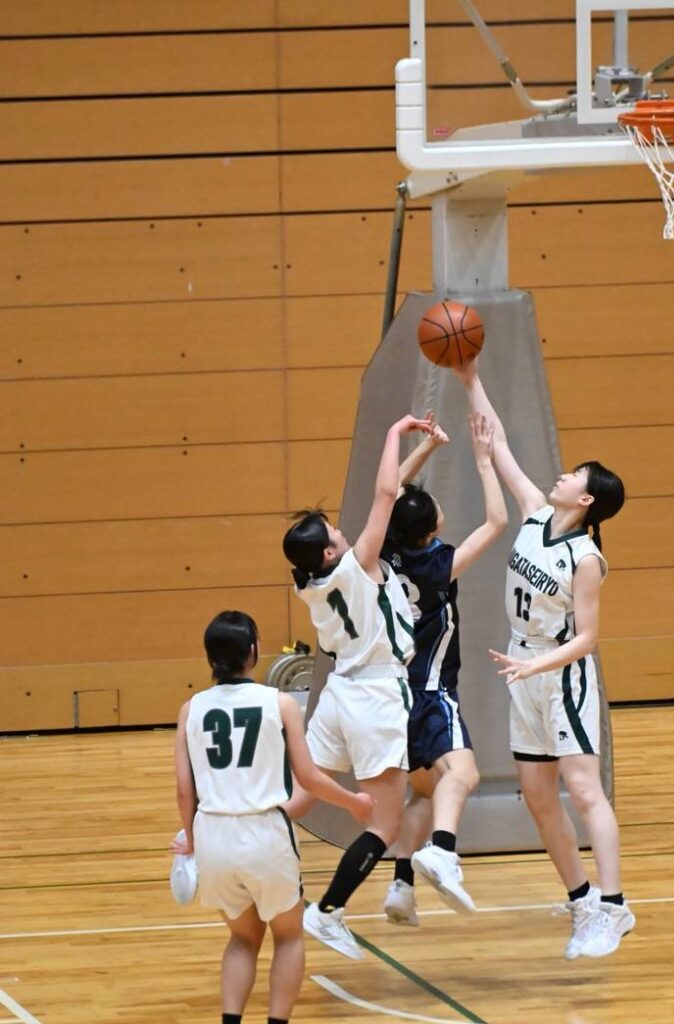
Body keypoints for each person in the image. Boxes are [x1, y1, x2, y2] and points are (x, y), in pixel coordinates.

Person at [454, 360, 635, 960]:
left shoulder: (586, 558)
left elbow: (588, 638)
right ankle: (582, 900)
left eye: (574, 473)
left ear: (586, 499)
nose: (561, 473)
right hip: (523, 668)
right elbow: (500, 442)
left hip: (562, 676)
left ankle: (615, 907)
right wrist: (470, 378)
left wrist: (540, 667)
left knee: (583, 790)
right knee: (536, 794)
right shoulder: (535, 512)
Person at [171, 610, 374, 1024]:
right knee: (288, 935)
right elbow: (309, 778)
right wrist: (352, 802)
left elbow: (183, 789)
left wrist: (190, 839)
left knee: (243, 939)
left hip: (213, 837)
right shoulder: (279, 703)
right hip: (265, 834)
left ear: (210, 657)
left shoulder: (190, 709)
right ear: (252, 651)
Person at [282, 413, 433, 960]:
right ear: (330, 553)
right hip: (374, 696)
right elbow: (386, 493)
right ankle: (329, 910)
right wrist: (395, 433)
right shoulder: (355, 566)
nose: (343, 533)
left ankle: (223, 839)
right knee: (385, 824)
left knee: (301, 795)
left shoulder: (309, 583)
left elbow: (388, 497)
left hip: (338, 694)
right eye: (334, 534)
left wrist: (424, 451)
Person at [381, 411, 507, 925]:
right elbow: (497, 522)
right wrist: (484, 461)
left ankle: (401, 886)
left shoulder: (386, 549)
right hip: (431, 690)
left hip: (394, 693)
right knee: (464, 774)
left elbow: (390, 490)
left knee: (425, 790)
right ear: (432, 526)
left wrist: (428, 445)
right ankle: (443, 851)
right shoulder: (438, 565)